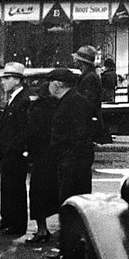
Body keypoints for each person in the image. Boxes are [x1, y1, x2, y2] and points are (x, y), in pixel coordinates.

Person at [49, 67, 95, 205]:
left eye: (50, 83)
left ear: (57, 85)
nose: (48, 87)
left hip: (74, 161)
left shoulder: (75, 102)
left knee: (73, 200)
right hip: (70, 159)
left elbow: (79, 133)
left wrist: (67, 156)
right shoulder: (68, 100)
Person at [0, 62, 30, 237]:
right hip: (8, 152)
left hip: (15, 153)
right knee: (8, 187)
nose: (3, 82)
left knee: (15, 188)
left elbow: (22, 130)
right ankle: (8, 219)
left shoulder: (23, 101)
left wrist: (13, 149)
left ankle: (17, 224)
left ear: (17, 80)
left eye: (7, 78)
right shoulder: (14, 99)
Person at [25, 80, 59, 243]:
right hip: (56, 155)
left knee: (38, 193)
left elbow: (31, 132)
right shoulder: (59, 106)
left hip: (40, 155)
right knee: (56, 192)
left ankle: (42, 229)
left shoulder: (37, 108)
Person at [72, 44, 109, 143]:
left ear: (82, 62)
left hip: (86, 124)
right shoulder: (88, 76)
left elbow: (88, 103)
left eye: (76, 59)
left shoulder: (89, 78)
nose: (74, 61)